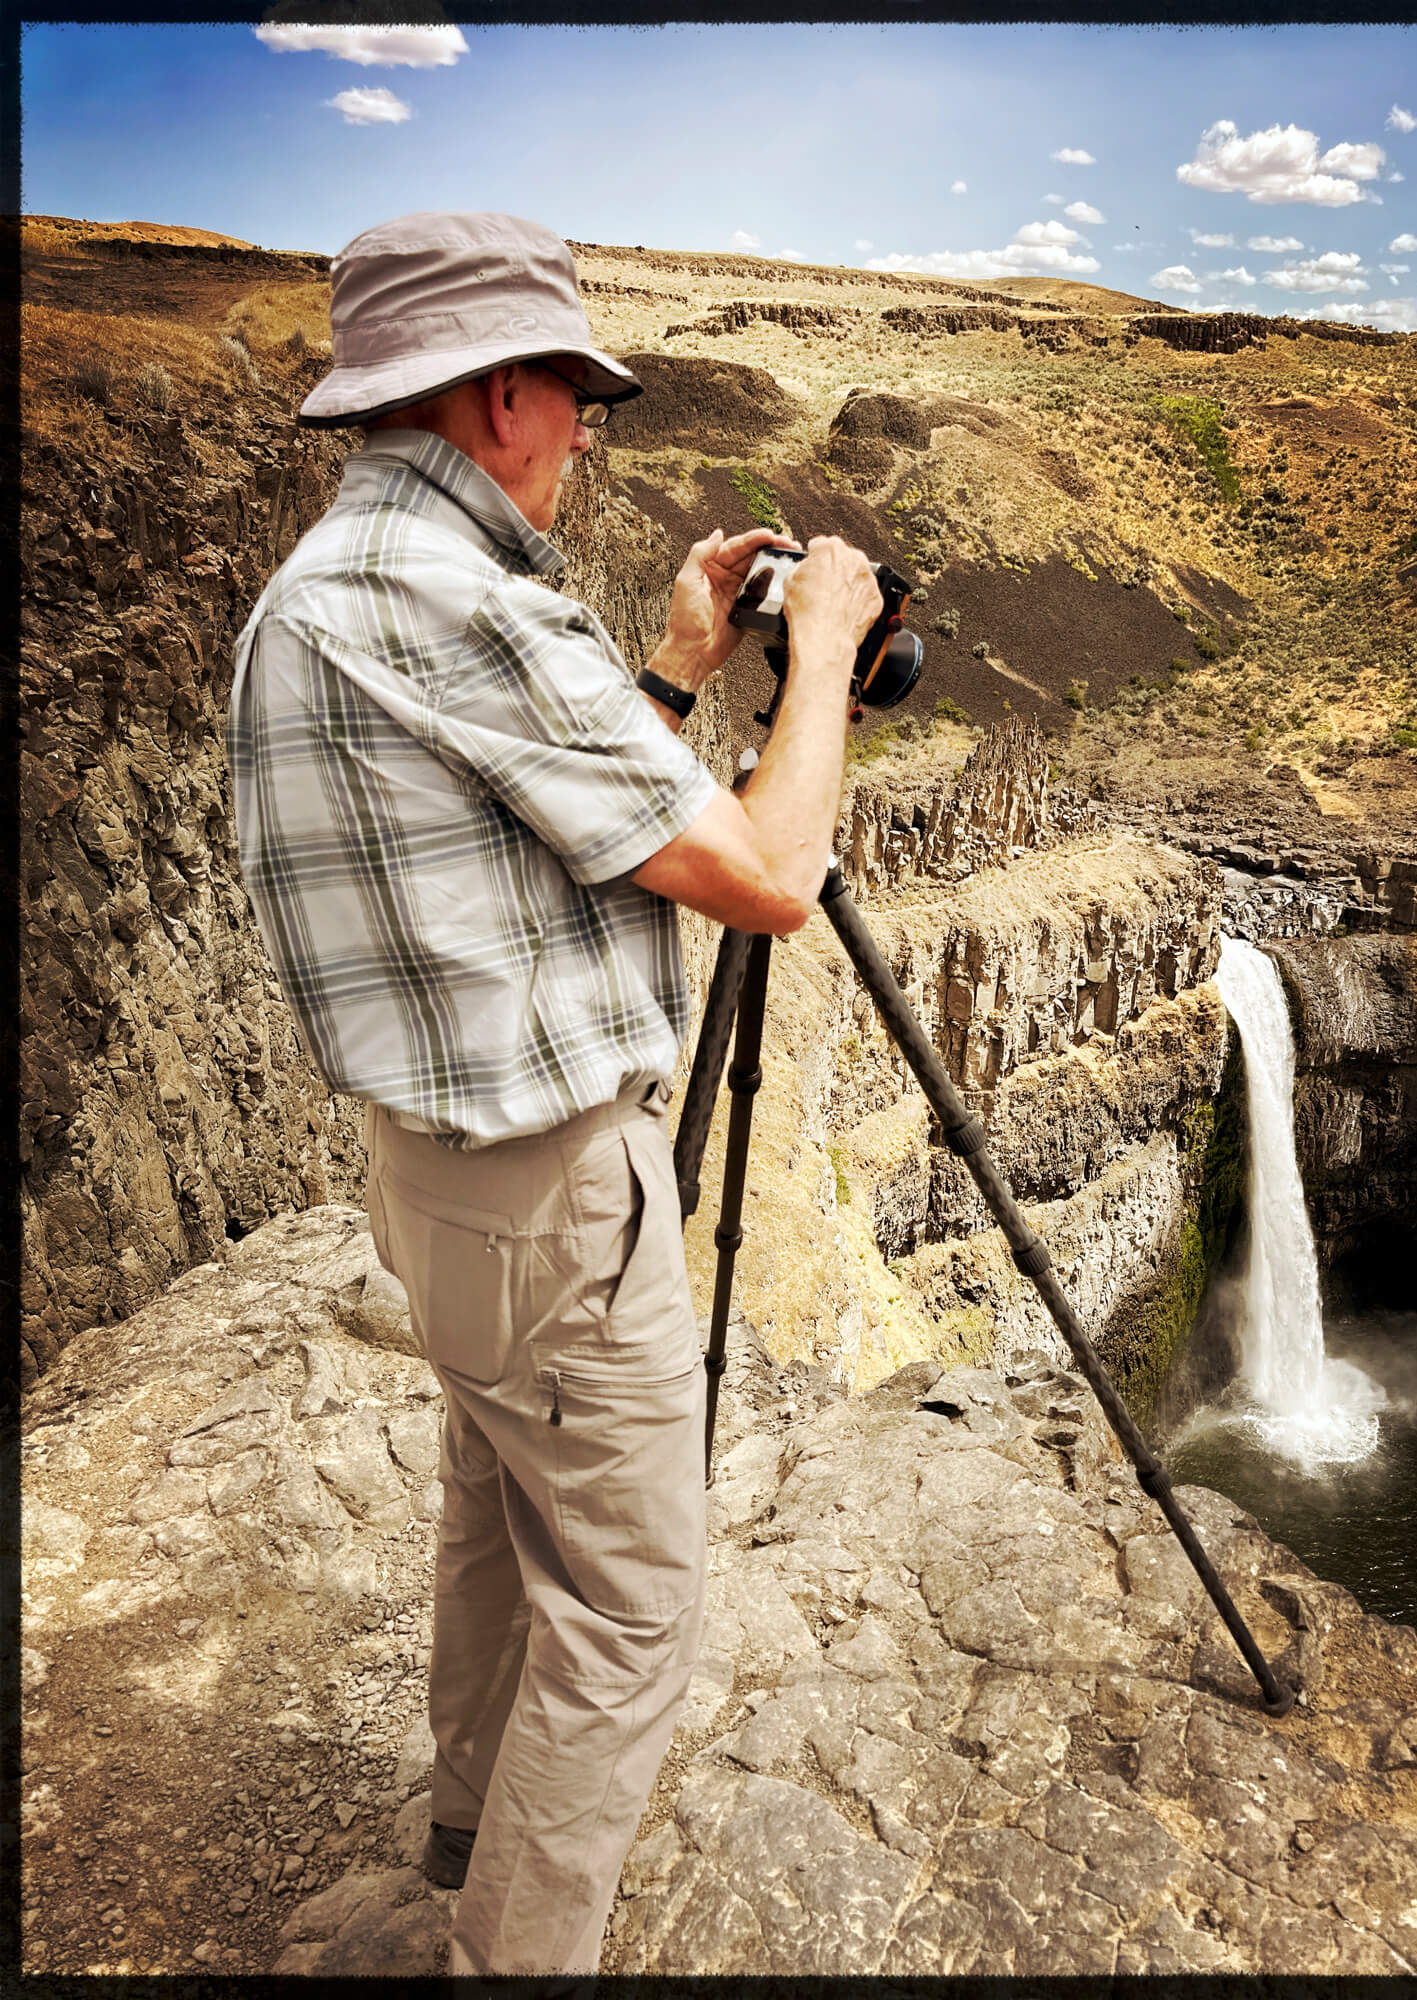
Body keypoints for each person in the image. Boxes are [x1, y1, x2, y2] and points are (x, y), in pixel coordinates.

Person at [226, 211, 881, 1977]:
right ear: (500, 393)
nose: (588, 432)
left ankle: (461, 1835)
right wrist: (816, 656)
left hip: (439, 1194)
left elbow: (551, 838)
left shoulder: (320, 596)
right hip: (558, 1198)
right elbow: (766, 878)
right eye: (575, 396)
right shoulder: (466, 603)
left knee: (497, 1517)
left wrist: (668, 674)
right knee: (629, 1606)